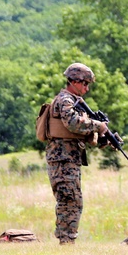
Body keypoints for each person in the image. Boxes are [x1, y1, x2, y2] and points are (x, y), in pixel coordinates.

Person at [45, 63, 110, 244]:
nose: (87, 88)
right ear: (74, 81)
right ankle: (66, 241)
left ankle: (66, 240)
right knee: (70, 200)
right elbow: (73, 123)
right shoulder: (65, 100)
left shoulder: (72, 101)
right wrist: (98, 125)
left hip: (68, 159)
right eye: (84, 84)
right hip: (62, 160)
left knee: (71, 200)